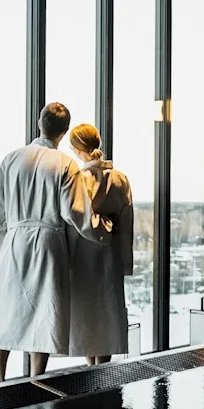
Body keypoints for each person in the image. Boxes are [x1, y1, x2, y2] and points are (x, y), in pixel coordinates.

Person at [0, 103, 110, 381]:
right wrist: (102, 233)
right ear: (65, 132)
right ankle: (36, 380)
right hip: (48, 242)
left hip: (15, 239)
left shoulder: (11, 159)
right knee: (44, 312)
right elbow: (75, 212)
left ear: (39, 123)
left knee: (7, 309)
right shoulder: (65, 163)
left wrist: (5, 245)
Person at [64, 124, 133, 366]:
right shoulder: (120, 179)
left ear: (74, 149)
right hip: (110, 254)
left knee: (85, 313)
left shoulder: (77, 180)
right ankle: (102, 374)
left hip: (81, 254)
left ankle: (90, 371)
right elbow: (126, 227)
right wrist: (125, 263)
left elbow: (71, 216)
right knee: (106, 310)